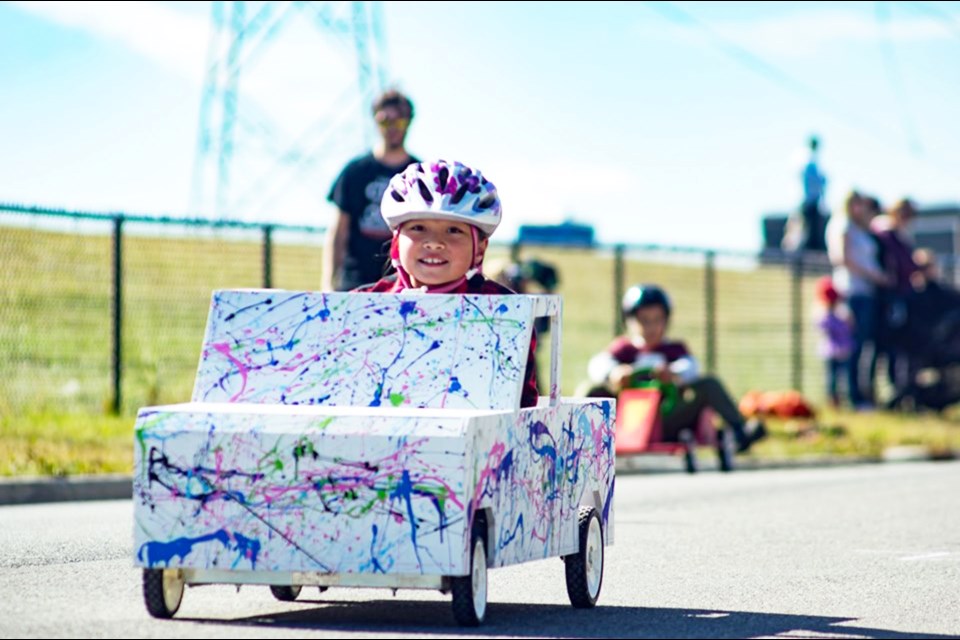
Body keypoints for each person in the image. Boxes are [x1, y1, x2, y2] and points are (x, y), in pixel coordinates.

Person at [353, 159, 539, 408]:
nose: (434, 242)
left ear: (480, 249)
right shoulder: (363, 304)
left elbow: (520, 407)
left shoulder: (505, 313)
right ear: (397, 242)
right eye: (418, 227)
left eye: (453, 230)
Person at [578, 284, 767, 453]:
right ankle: (576, 441)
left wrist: (674, 373)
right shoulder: (624, 349)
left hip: (667, 416)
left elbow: (692, 366)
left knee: (708, 383)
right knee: (590, 389)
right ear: (630, 321)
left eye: (657, 320)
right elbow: (597, 364)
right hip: (626, 419)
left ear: (666, 320)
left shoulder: (674, 349)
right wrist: (614, 373)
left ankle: (740, 431)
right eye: (644, 320)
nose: (651, 327)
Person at [323, 89, 420, 291]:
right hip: (355, 282)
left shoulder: (420, 175)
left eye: (399, 120)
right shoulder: (355, 171)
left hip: (403, 283)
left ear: (409, 122)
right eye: (385, 121)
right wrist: (328, 283)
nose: (392, 127)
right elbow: (338, 231)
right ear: (376, 122)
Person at [826, 191, 891, 410]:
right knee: (852, 346)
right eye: (856, 204)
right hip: (853, 293)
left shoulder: (861, 228)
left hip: (867, 293)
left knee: (863, 345)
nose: (861, 208)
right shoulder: (843, 226)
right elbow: (842, 258)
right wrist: (875, 275)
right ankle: (852, 396)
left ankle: (860, 393)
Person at [813, 276, 853, 408]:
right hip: (833, 351)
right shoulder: (826, 316)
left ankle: (842, 398)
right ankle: (833, 400)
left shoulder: (838, 314)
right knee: (833, 378)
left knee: (841, 377)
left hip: (841, 350)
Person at [801, 135, 828, 252]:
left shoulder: (812, 159)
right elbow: (814, 183)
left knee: (813, 230)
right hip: (809, 201)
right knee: (809, 231)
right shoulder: (808, 160)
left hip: (812, 201)